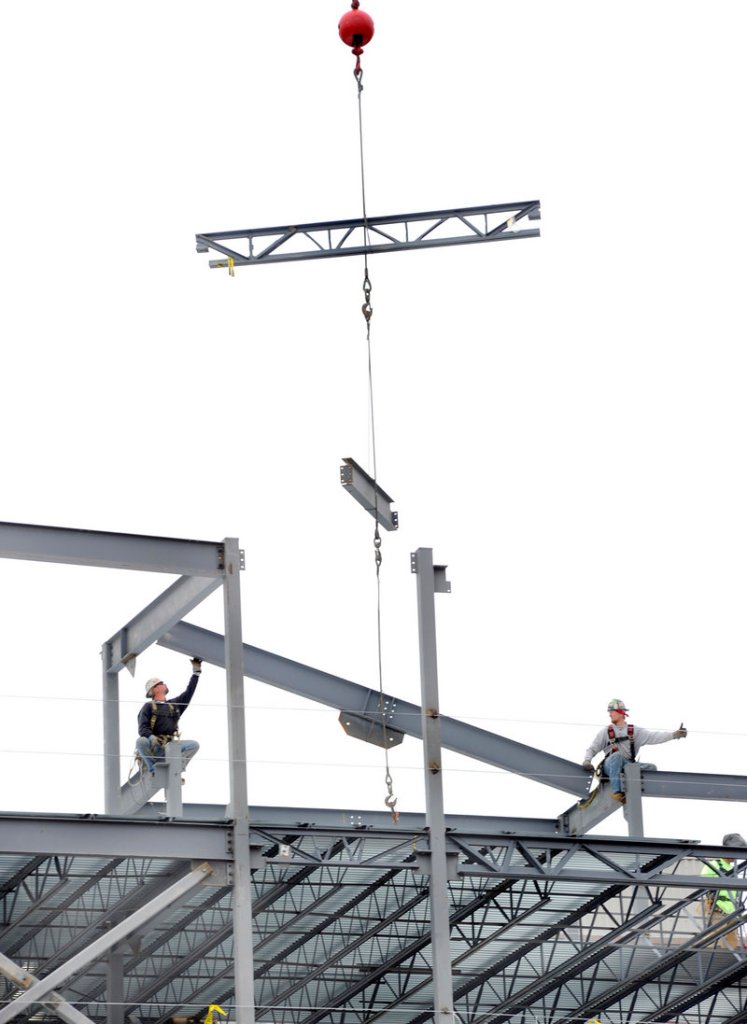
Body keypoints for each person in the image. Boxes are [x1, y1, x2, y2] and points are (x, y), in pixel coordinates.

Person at [582, 698, 687, 804]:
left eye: (612, 712)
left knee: (651, 768)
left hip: (627, 765)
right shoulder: (606, 732)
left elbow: (654, 737)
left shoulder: (634, 731)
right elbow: (592, 748)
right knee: (617, 756)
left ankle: (636, 791)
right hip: (610, 766)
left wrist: (675, 735)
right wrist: (587, 761)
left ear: (621, 713)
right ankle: (616, 791)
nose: (610, 714)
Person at [135, 657, 203, 777]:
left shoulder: (174, 705)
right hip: (154, 748)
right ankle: (153, 770)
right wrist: (151, 737)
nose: (165, 684)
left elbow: (189, 692)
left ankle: (177, 769)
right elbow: (142, 728)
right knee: (141, 741)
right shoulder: (149, 706)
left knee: (193, 745)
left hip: (170, 748)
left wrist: (196, 674)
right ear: (155, 688)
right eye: (162, 683)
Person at [701, 832, 746, 950]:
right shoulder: (714, 865)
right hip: (717, 909)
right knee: (714, 940)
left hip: (731, 911)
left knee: (732, 944)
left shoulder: (733, 869)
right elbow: (703, 883)